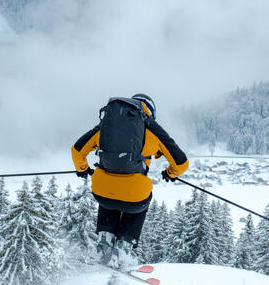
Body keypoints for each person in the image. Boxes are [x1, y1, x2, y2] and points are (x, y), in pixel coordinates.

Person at [71, 93, 188, 268]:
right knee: (138, 201)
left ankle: (104, 243)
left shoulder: (108, 124)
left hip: (102, 194)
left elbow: (77, 150)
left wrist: (83, 169)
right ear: (150, 111)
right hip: (135, 198)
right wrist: (170, 173)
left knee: (108, 194)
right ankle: (123, 249)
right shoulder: (151, 127)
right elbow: (181, 162)